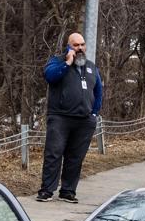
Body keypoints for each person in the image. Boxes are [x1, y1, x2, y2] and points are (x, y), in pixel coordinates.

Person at [38, 32, 103, 203]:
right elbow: (50, 77)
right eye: (76, 45)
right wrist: (67, 62)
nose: (80, 48)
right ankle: (47, 190)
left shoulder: (90, 67)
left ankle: (68, 191)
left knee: (75, 157)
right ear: (69, 47)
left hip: (84, 120)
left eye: (82, 44)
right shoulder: (57, 62)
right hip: (60, 117)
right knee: (54, 153)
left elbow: (98, 92)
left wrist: (94, 114)